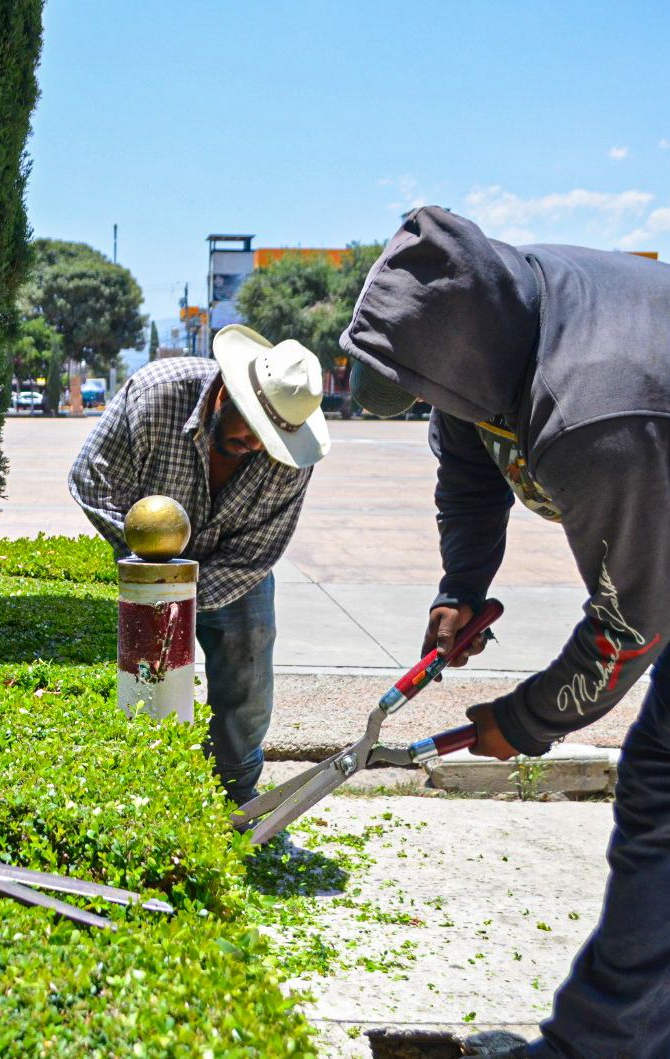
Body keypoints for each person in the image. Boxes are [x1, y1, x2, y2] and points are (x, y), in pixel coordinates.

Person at [343, 204, 670, 1059]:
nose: (427, 405)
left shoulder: (596, 409)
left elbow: (628, 627)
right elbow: (467, 467)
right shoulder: (482, 322)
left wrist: (523, 722)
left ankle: (593, 1049)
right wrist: (461, 588)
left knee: (661, 801)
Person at [69, 327, 330, 806]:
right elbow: (93, 480)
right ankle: (144, 789)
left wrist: (183, 596)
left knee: (248, 676)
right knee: (147, 681)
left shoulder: (293, 461)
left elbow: (257, 552)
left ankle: (234, 795)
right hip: (144, 565)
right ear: (224, 393)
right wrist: (152, 574)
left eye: (270, 439)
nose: (255, 443)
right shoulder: (155, 393)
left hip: (234, 576)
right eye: (250, 426)